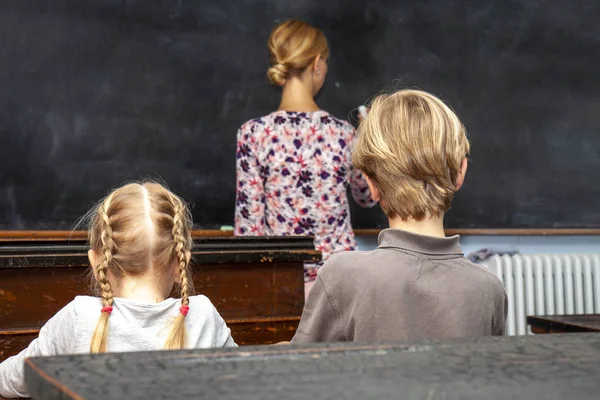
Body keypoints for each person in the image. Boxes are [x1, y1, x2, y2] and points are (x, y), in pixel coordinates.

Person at [291, 89, 508, 343]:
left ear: (371, 184)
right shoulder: (489, 290)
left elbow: (301, 370)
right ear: (461, 173)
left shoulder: (342, 277)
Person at [0, 182, 236, 398]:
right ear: (181, 264)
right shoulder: (203, 316)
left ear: (96, 263)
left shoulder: (79, 317)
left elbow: (8, 381)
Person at [234, 20, 376, 286]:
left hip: (281, 282)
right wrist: (370, 145)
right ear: (318, 63)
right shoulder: (344, 133)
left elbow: (248, 228)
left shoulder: (253, 134)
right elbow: (367, 197)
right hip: (339, 280)